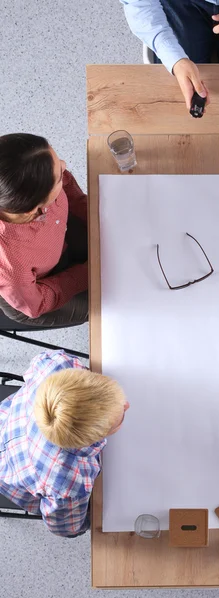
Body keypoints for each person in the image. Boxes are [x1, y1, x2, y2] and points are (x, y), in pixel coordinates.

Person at [0, 350, 128, 537]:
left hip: (8, 420)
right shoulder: (68, 483)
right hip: (11, 476)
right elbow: (68, 528)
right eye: (121, 415)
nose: (127, 405)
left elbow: (39, 360)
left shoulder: (58, 365)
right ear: (93, 440)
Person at [0, 133, 88, 326]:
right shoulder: (12, 265)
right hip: (36, 296)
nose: (64, 165)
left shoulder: (38, 173)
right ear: (35, 208)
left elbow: (68, 185)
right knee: (105, 303)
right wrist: (86, 274)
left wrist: (95, 215)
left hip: (58, 240)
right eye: (57, 178)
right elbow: (35, 304)